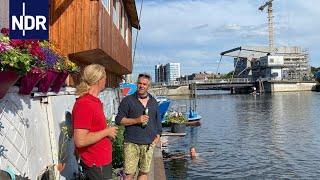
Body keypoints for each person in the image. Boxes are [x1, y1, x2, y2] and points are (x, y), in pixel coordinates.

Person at [72, 64, 118, 180]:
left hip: (101, 161)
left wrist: (106, 133)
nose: (106, 81)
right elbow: (80, 140)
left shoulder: (94, 102)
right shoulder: (85, 104)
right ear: (99, 80)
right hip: (96, 163)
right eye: (105, 77)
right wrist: (107, 132)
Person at [115, 73, 162, 180]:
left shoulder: (153, 101)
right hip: (131, 143)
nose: (141, 86)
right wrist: (137, 120)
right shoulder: (128, 101)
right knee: (129, 174)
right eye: (139, 83)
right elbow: (119, 120)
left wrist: (158, 135)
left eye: (144, 84)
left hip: (149, 143)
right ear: (137, 84)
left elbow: (158, 120)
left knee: (144, 172)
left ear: (148, 86)